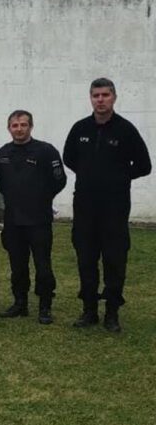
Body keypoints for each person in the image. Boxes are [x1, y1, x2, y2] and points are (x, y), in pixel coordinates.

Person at [63, 78, 151, 332]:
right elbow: (69, 157)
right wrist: (90, 174)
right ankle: (89, 310)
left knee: (115, 261)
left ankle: (112, 312)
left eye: (105, 95)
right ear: (90, 98)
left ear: (114, 97)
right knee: (86, 260)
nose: (100, 100)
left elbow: (144, 166)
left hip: (115, 208)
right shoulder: (80, 129)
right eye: (95, 95)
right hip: (85, 208)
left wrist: (118, 177)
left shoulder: (126, 130)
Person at [0, 110, 66, 324]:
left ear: (31, 127)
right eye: (15, 125)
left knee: (43, 265)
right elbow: (0, 182)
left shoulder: (46, 151)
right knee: (17, 265)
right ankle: (20, 303)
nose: (19, 129)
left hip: (39, 220)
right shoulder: (2, 154)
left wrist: (41, 198)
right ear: (9, 128)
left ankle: (45, 306)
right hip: (13, 220)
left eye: (23, 125)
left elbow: (59, 180)